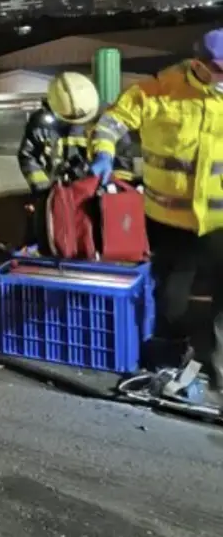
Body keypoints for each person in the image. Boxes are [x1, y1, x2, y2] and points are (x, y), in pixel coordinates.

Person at [90, 29, 223, 404]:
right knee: (171, 302)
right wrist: (102, 152)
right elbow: (112, 122)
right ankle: (172, 363)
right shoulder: (158, 90)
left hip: (221, 224)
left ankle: (220, 369)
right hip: (170, 222)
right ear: (199, 65)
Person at [17, 72, 139, 251]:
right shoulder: (42, 122)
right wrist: (43, 192)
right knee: (49, 243)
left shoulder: (109, 120)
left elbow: (123, 162)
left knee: (97, 242)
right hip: (57, 198)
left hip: (95, 199)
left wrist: (114, 192)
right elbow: (28, 156)